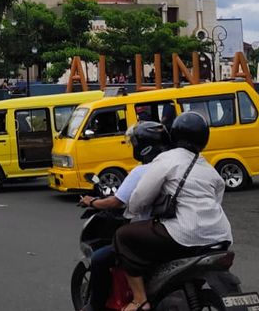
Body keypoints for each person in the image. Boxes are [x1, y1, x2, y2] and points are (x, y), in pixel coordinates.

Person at [113, 112, 233, 311]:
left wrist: (132, 211)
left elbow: (140, 197)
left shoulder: (167, 159)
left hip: (184, 235)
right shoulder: (208, 168)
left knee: (122, 236)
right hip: (221, 236)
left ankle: (140, 299)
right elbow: (216, 201)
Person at [77, 122, 172, 311]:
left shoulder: (141, 171)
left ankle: (99, 306)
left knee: (100, 259)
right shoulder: (176, 166)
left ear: (142, 146)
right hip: (178, 232)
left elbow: (116, 202)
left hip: (151, 234)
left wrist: (92, 202)